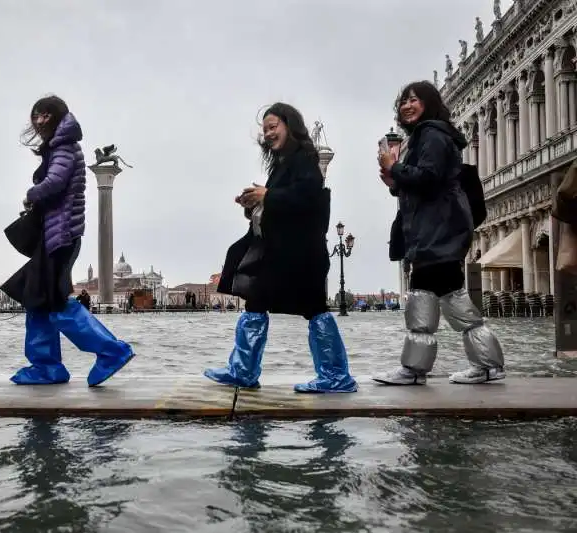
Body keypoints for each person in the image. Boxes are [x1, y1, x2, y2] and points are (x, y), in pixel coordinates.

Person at [204, 103, 357, 393]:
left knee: (314, 308)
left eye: (273, 126)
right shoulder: (285, 163)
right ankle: (243, 370)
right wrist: (255, 202)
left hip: (301, 254)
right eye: (265, 130)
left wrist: (268, 194)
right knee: (256, 301)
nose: (269, 133)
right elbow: (285, 201)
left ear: (290, 125)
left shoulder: (305, 159)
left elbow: (306, 197)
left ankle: (336, 376)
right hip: (282, 252)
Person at [373, 80, 504, 385]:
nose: (406, 105)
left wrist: (395, 168)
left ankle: (418, 370)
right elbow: (424, 185)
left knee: (432, 295)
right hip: (434, 229)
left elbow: (429, 178)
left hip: (438, 229)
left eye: (414, 99)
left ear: (429, 103)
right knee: (440, 294)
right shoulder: (427, 135)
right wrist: (395, 182)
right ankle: (481, 364)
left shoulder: (431, 133)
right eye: (403, 101)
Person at [5, 95, 134, 387]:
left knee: (54, 299)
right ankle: (46, 365)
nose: (39, 121)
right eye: (35, 115)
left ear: (58, 116)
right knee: (36, 297)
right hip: (56, 235)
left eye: (45, 115)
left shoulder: (63, 147)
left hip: (60, 236)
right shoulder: (60, 147)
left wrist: (31, 194)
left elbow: (55, 183)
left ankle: (110, 351)